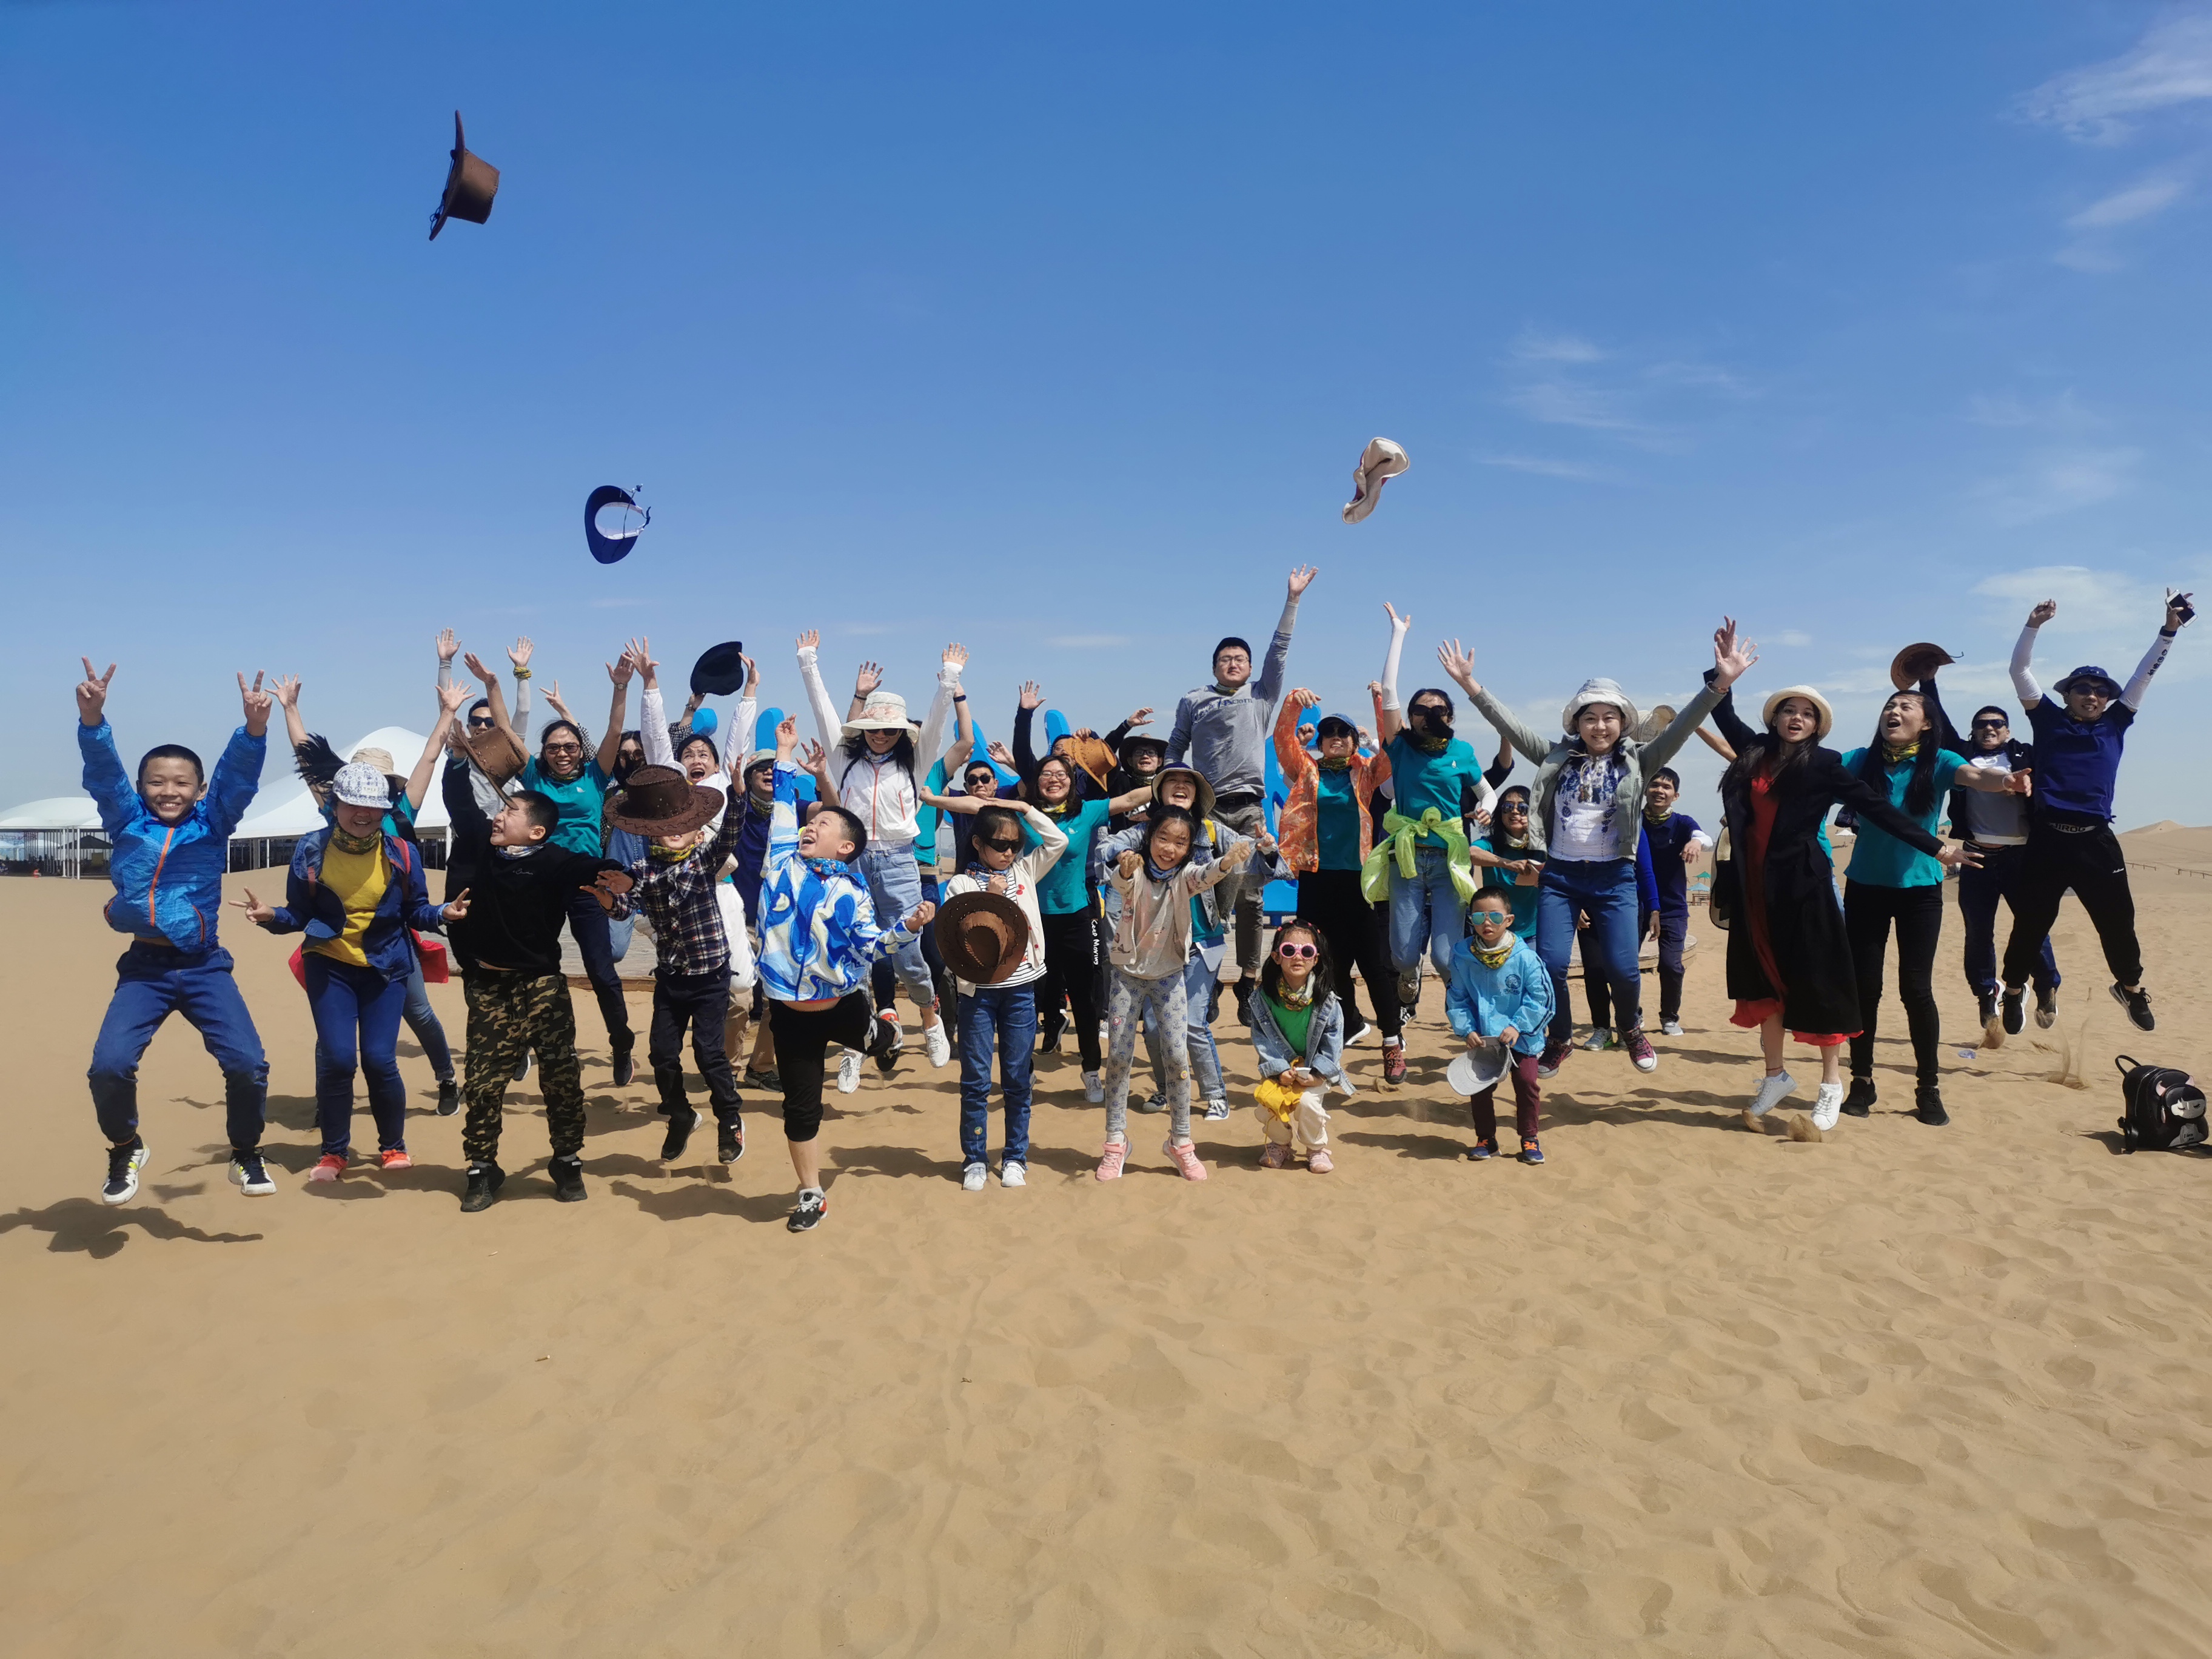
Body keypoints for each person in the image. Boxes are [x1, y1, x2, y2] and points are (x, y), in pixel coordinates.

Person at [1439, 620, 1742, 1077]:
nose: (1599, 726)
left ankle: (1631, 1028)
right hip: (1560, 877)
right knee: (1550, 965)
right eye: (1589, 717)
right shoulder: (1554, 757)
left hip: (1614, 877)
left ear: (1623, 723)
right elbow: (1510, 724)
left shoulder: (1641, 760)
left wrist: (1719, 684)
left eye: (1609, 717)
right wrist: (1469, 685)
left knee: (1623, 968)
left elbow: (1682, 727)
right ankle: (1560, 1037)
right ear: (1577, 723)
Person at [1708, 665, 1974, 1131]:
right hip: (1756, 891)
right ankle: (1776, 1076)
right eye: (1788, 710)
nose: (1796, 718)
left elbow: (1879, 810)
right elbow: (1723, 713)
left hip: (1805, 889)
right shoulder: (1755, 753)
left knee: (1821, 981)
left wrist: (1937, 848)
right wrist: (1723, 678)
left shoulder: (1826, 764)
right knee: (1764, 982)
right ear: (1774, 719)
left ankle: (1832, 1084)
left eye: (1807, 714)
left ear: (1817, 726)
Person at [76, 659, 275, 1205]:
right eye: (157, 782)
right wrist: (93, 720)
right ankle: (125, 1147)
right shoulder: (126, 821)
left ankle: (245, 1152)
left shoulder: (213, 823)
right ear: (141, 788)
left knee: (247, 1064)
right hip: (145, 969)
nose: (169, 791)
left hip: (204, 966)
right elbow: (104, 774)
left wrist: (254, 729)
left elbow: (238, 780)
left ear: (199, 788)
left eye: (182, 782)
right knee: (109, 1067)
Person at [235, 762, 468, 1179]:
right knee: (339, 1060)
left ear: (384, 809)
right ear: (335, 805)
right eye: (353, 805)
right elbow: (299, 914)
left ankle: (393, 1147)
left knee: (380, 1060)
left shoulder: (401, 852)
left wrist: (441, 914)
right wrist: (271, 916)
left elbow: (415, 910)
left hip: (386, 967)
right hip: (330, 966)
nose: (364, 814)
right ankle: (334, 1153)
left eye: (373, 806)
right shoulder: (311, 849)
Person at [756, 720, 935, 1233]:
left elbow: (874, 947)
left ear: (846, 848)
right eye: (812, 822)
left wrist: (908, 927)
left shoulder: (853, 896)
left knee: (874, 1042)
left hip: (843, 1007)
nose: (811, 826)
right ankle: (811, 1193)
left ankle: (887, 1032)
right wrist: (784, 753)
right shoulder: (781, 861)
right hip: (790, 1015)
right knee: (800, 1109)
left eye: (826, 825)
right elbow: (784, 807)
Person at [1998, 592, 2193, 1034]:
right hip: (2048, 840)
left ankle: (2131, 987)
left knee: (2118, 923)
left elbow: (2144, 674)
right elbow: (2019, 671)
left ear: (2108, 699)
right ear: (2067, 694)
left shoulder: (2116, 722)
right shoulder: (2047, 719)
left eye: (2101, 691)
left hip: (2096, 840)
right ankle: (2013, 989)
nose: (2092, 695)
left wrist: (2169, 631)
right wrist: (2033, 626)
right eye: (2083, 689)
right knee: (2031, 924)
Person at [272, 672, 466, 1113]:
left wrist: (448, 713)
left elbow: (429, 757)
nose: (365, 794)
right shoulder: (334, 809)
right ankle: (329, 1100)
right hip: (335, 939)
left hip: (391, 937)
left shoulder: (401, 811)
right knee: (333, 1032)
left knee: (417, 1012)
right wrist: (290, 709)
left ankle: (446, 1078)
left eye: (376, 781)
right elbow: (306, 756)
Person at [1834, 688, 2023, 1122]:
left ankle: (1928, 1088)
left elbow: (1975, 776)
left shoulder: (1938, 761)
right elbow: (1811, 770)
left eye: (1906, 706)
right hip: (1865, 887)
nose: (1894, 711)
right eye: (1889, 706)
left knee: (1915, 990)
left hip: (1920, 891)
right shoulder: (1860, 760)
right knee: (1865, 989)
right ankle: (1862, 1081)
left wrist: (2005, 781)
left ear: (1926, 724)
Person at [443, 785, 635, 1212]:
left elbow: (591, 864)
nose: (499, 816)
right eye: (500, 809)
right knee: (483, 1084)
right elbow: (460, 805)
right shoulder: (483, 852)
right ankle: (481, 1169)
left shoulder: (554, 861)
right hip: (490, 988)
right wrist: (455, 761)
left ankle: (567, 1162)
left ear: (536, 832)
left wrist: (621, 875)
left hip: (543, 987)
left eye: (510, 811)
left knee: (561, 1079)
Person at [796, 633, 964, 1071]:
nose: (882, 736)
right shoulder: (844, 759)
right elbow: (823, 711)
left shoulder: (915, 763)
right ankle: (858, 1042)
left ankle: (929, 1016)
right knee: (852, 951)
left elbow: (938, 722)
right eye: (874, 729)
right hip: (850, 862)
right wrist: (808, 662)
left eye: (891, 730)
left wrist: (949, 679)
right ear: (864, 729)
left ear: (902, 733)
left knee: (908, 956)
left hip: (899, 862)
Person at [484, 642, 640, 1084]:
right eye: (554, 747)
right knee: (530, 965)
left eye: (570, 745)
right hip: (541, 883)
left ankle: (621, 1043)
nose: (563, 752)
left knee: (601, 971)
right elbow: (503, 730)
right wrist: (498, 681)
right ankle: (520, 1044)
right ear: (544, 752)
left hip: (588, 882)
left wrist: (621, 687)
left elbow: (614, 730)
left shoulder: (595, 774)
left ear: (579, 749)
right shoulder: (533, 775)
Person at [1167, 565, 1317, 1019]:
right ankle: (1210, 976)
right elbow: (1176, 746)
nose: (1233, 664)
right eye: (1225, 659)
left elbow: (1279, 650)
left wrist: (1293, 600)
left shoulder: (1262, 694)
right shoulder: (1194, 700)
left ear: (1250, 668)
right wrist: (1171, 791)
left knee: (1251, 898)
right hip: (1206, 812)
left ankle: (1249, 980)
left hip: (1249, 811)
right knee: (1208, 895)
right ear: (1214, 666)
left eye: (1240, 659)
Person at [1093, 765, 1285, 1121]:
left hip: (1203, 941)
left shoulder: (1212, 831)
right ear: (1160, 792)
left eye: (1188, 784)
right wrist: (1123, 858)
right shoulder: (1144, 831)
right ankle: (1165, 1088)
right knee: (1153, 1027)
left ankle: (1215, 1094)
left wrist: (1266, 849)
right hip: (1156, 948)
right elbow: (1107, 849)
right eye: (1173, 782)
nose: (1180, 787)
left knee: (1194, 1024)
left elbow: (1252, 856)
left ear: (1197, 796)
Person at [606, 752, 760, 1169]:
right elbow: (625, 907)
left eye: (682, 823)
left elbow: (730, 834)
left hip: (710, 978)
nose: (674, 830)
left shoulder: (704, 860)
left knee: (709, 1054)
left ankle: (729, 1119)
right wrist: (609, 899)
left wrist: (739, 794)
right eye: (664, 825)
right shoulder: (642, 869)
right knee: (661, 1053)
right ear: (651, 832)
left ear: (697, 829)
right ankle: (681, 1115)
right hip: (672, 980)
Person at [1096, 808, 1254, 1181]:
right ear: (1149, 837)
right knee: (1118, 1058)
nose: (1169, 848)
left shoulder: (1186, 877)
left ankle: (1181, 1142)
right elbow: (1120, 883)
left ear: (1188, 848)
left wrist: (1227, 862)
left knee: (1178, 1059)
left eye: (1180, 842)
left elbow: (1207, 874)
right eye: (1163, 838)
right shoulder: (1134, 870)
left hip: (1169, 978)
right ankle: (1116, 1142)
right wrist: (1125, 870)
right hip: (1127, 977)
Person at [1271, 685, 1407, 1082]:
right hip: (1316, 880)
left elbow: (1390, 746)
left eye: (1343, 733)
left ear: (1353, 741)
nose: (1335, 738)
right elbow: (1283, 741)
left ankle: (1392, 1044)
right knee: (1326, 966)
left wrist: (1381, 702)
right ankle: (1347, 1026)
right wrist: (1293, 703)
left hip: (1359, 881)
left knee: (1374, 966)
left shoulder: (1366, 771)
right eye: (1328, 732)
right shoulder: (1307, 770)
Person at [1370, 603, 1496, 1019]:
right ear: (1410, 718)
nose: (1429, 716)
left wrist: (1486, 810)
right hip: (1407, 859)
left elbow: (1487, 792)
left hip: (1450, 859)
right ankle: (1410, 976)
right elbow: (1389, 692)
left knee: (1445, 957)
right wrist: (1398, 634)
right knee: (1404, 956)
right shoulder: (1401, 747)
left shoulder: (1462, 751)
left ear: (1450, 715)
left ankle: (1460, 1004)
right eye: (1420, 711)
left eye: (1438, 710)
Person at [939, 799, 1068, 1190]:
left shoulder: (1025, 870)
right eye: (999, 844)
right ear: (978, 843)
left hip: (1021, 991)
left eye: (1015, 844)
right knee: (976, 1080)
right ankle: (975, 1159)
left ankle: (1015, 1157)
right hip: (977, 995)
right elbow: (957, 940)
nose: (1009, 852)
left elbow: (1058, 841)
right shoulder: (961, 884)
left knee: (1017, 1078)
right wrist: (993, 898)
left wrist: (1025, 808)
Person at [1930, 702, 2056, 1030]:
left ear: (2008, 731)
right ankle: (1987, 994)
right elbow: (1939, 721)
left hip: (2021, 857)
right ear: (1972, 731)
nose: (1989, 728)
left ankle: (2045, 984)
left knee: (2032, 927)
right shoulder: (1960, 756)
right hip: (1976, 857)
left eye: (1997, 723)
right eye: (1982, 723)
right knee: (1978, 933)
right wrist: (1928, 682)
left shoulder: (2026, 755)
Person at [1445, 887, 1557, 1164]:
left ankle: (1529, 1138)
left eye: (1495, 916)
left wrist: (1518, 1026)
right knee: (1479, 1087)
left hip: (1522, 1037)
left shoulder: (1525, 957)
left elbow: (1542, 998)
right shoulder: (1462, 956)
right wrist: (1467, 1029)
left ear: (1509, 920)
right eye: (1479, 916)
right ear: (1471, 919)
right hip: (1485, 1038)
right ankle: (1486, 1139)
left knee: (1527, 1083)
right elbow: (1457, 997)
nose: (1487, 923)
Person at [1247, 920, 1349, 1173]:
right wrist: (1278, 1069)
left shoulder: (1327, 1001)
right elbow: (1262, 1038)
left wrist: (1319, 1074)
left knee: (1308, 1105)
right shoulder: (1263, 999)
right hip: (1280, 1069)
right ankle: (1280, 1144)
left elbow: (1333, 1040)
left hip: (1314, 1070)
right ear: (1276, 957)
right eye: (1289, 950)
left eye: (1307, 951)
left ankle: (1316, 1148)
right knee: (1268, 1103)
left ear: (1316, 959)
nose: (1298, 957)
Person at [1636, 768, 1709, 1036]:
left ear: (1675, 796)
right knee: (1626, 964)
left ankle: (1669, 1017)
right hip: (1635, 903)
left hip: (1673, 907)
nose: (1660, 790)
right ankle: (1633, 1014)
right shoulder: (1634, 820)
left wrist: (1695, 843)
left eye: (1666, 787)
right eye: (1654, 785)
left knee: (1671, 965)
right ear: (1645, 790)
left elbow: (1703, 836)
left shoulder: (1682, 823)